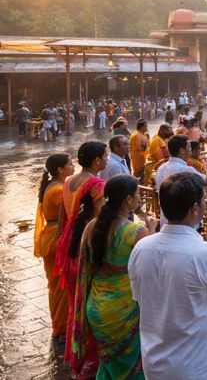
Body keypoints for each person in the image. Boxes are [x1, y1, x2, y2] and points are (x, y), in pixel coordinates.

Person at [129, 173, 207, 379]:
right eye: (204, 199)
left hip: (156, 362)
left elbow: (139, 300)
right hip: (199, 365)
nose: (206, 203)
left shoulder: (141, 248)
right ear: (195, 208)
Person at [72, 176, 156, 379]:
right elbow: (151, 265)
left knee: (109, 363)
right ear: (128, 199)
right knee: (131, 368)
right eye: (137, 194)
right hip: (124, 309)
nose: (139, 198)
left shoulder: (92, 226)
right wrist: (152, 230)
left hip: (97, 307)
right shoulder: (136, 231)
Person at [55, 141, 109, 378]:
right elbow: (101, 225)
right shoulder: (97, 186)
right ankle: (90, 361)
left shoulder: (68, 181)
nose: (107, 160)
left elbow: (63, 218)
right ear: (96, 161)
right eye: (105, 156)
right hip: (86, 249)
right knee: (90, 306)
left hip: (70, 247)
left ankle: (77, 357)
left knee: (74, 305)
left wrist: (62, 246)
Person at [33, 153, 74, 337]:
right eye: (70, 164)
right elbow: (72, 211)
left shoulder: (56, 185)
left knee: (57, 284)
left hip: (52, 236)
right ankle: (61, 326)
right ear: (60, 170)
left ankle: (61, 324)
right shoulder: (58, 189)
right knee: (60, 286)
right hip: (55, 239)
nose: (73, 166)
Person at [154, 134, 207, 229]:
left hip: (166, 221)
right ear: (182, 151)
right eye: (189, 146)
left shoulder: (161, 168)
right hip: (185, 223)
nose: (191, 149)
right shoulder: (186, 170)